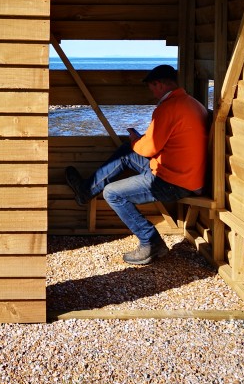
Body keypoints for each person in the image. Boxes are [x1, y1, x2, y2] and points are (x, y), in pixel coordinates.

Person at [65, 64, 208, 265]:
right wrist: (137, 143)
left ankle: (151, 242)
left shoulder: (168, 108)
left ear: (158, 84)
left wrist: (136, 140)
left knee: (112, 193)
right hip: (189, 174)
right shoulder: (192, 103)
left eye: (151, 87)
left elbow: (148, 149)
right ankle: (85, 191)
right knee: (126, 152)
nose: (151, 92)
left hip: (172, 181)